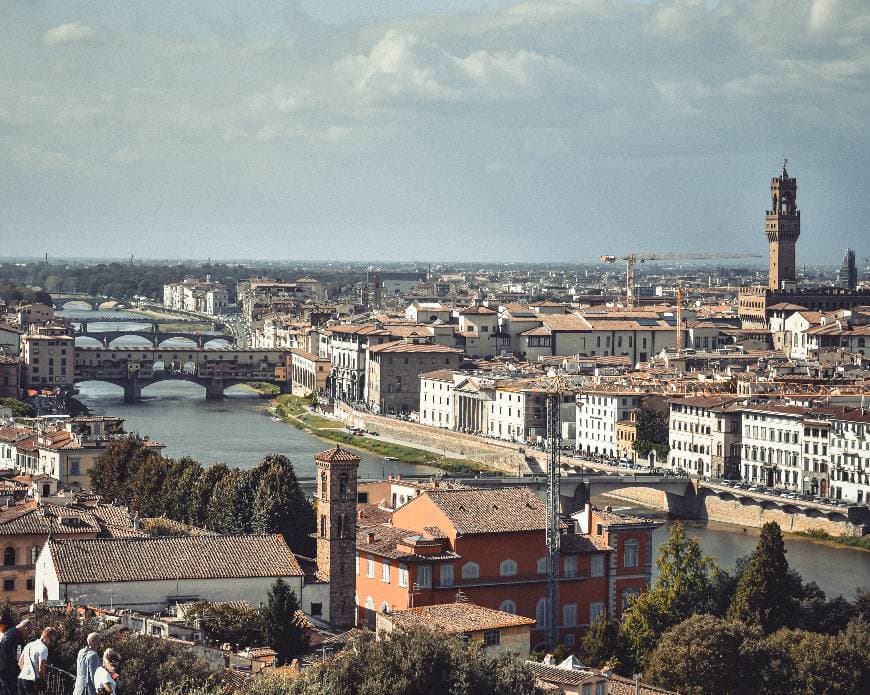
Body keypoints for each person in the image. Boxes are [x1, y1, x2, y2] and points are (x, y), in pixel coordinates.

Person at [17, 627, 54, 695]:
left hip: (21, 678)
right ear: (46, 637)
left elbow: (20, 663)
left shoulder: (29, 645)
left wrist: (26, 672)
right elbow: (41, 668)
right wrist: (42, 681)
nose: (51, 643)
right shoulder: (44, 649)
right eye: (51, 640)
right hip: (31, 681)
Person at [0, 620, 31, 695]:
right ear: (25, 628)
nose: (28, 635)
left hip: (2, 667)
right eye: (29, 632)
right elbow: (18, 656)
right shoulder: (18, 637)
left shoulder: (9, 632)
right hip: (9, 671)